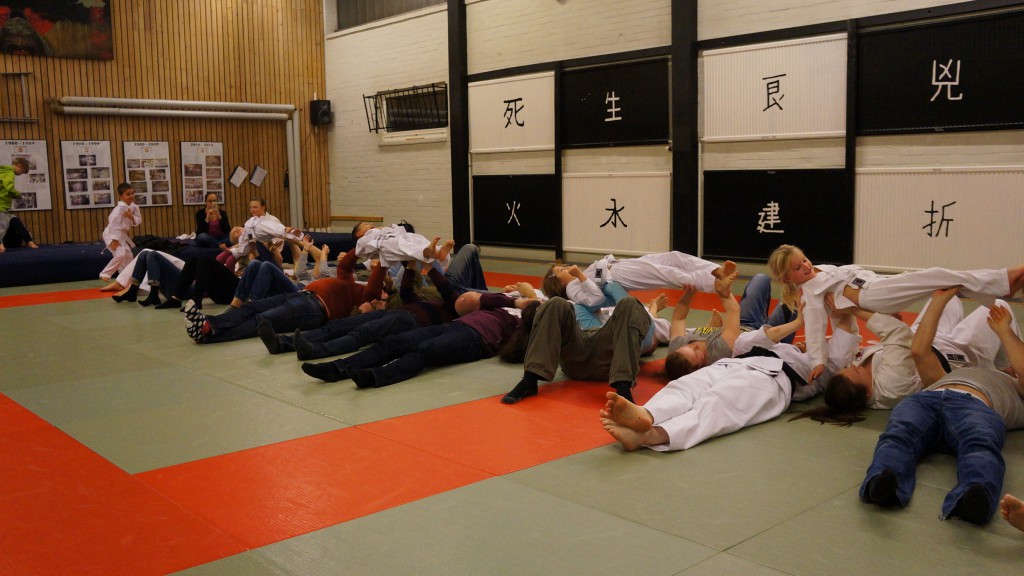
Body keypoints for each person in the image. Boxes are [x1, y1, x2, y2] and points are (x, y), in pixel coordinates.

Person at [599, 297, 860, 452]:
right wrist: (797, 324)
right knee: (686, 385)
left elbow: (842, 346)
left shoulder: (822, 366)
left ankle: (650, 435)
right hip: (733, 364)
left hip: (772, 379)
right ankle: (648, 413)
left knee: (717, 404)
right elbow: (747, 343)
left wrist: (842, 309)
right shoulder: (786, 347)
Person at [859, 305, 1024, 525]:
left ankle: (974, 496)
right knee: (899, 435)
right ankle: (884, 482)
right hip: (929, 397)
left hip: (976, 406)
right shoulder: (971, 370)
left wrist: (1004, 331)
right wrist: (940, 299)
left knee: (979, 446)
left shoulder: (1017, 389)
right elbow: (919, 352)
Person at [767, 244, 1024, 383]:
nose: (806, 266)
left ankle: (995, 291)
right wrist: (817, 362)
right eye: (797, 268)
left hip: (876, 284)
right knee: (935, 275)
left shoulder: (820, 269)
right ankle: (1003, 281)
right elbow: (814, 330)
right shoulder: (809, 296)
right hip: (872, 296)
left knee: (940, 282)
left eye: (804, 260)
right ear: (788, 278)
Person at [795, 290, 1018, 424]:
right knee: (999, 307)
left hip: (921, 337)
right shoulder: (891, 387)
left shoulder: (856, 382)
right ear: (868, 393)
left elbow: (893, 339)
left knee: (949, 299)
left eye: (849, 369)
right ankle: (1009, 370)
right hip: (955, 354)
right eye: (856, 372)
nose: (855, 366)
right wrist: (853, 309)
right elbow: (897, 335)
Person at [300, 291, 539, 389]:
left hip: (478, 339)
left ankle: (375, 377)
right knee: (393, 342)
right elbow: (482, 299)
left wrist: (527, 306)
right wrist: (514, 300)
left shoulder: (522, 324)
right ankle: (336, 368)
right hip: (456, 325)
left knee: (424, 350)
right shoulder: (506, 305)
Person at [184, 248, 385, 344]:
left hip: (314, 309)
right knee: (252, 307)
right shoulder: (351, 283)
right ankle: (208, 325)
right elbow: (345, 266)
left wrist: (383, 260)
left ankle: (208, 332)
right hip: (302, 295)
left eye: (383, 293)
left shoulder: (367, 298)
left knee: (263, 319)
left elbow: (375, 287)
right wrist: (360, 247)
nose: (380, 295)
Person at [499, 286, 654, 404]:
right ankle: (530, 380)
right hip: (577, 352)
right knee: (555, 303)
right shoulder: (579, 301)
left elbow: (648, 337)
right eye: (561, 269)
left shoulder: (626, 313)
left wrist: (654, 309)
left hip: (609, 356)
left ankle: (624, 386)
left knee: (630, 303)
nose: (566, 269)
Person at [663, 272, 796, 380]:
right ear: (700, 367)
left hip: (743, 323)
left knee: (760, 279)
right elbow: (733, 310)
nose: (695, 346)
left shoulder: (677, 348)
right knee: (794, 296)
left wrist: (689, 293)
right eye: (696, 353)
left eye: (690, 346)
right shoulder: (716, 354)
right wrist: (723, 292)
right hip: (765, 341)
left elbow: (678, 317)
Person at [352, 221, 454, 268]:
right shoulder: (362, 241)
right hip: (386, 245)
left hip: (395, 237)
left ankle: (439, 251)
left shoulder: (377, 231)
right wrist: (377, 230)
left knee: (416, 238)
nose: (371, 224)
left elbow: (392, 230)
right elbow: (360, 252)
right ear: (359, 233)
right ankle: (428, 252)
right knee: (405, 246)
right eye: (366, 224)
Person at [229, 197, 303, 260]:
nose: (252, 210)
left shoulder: (272, 220)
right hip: (262, 248)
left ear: (263, 207)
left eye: (255, 207)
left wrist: (287, 231)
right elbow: (250, 239)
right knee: (252, 247)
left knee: (292, 242)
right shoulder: (250, 222)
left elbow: (280, 233)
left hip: (280, 249)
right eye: (250, 207)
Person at [109, 249, 185, 306]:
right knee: (144, 253)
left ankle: (154, 294)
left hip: (186, 290)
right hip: (177, 288)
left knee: (153, 255)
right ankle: (132, 291)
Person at [99, 183, 142, 282]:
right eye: (128, 194)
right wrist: (115, 240)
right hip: (111, 234)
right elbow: (114, 223)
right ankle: (105, 273)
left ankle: (125, 280)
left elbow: (139, 220)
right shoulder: (119, 209)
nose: (131, 196)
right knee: (120, 254)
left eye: (133, 193)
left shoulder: (134, 207)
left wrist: (131, 217)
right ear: (121, 196)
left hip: (122, 235)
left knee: (128, 256)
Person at [0, 157, 38, 253]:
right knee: (2, 226)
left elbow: (3, 188)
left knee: (7, 222)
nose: (20, 174)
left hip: (2, 203)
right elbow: (9, 187)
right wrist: (18, 194)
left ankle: (29, 241)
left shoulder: (3, 172)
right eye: (22, 172)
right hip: (1, 204)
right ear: (19, 166)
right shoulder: (10, 173)